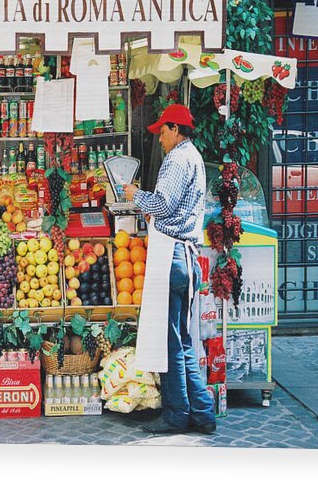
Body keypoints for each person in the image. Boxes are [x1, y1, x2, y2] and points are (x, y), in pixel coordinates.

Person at [123, 103, 216, 434]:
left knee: (171, 342)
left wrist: (137, 195)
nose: (159, 138)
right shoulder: (193, 156)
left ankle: (177, 414)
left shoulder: (177, 159)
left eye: (162, 131)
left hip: (173, 256)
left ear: (176, 129)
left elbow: (163, 205)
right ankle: (202, 413)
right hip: (186, 256)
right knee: (184, 340)